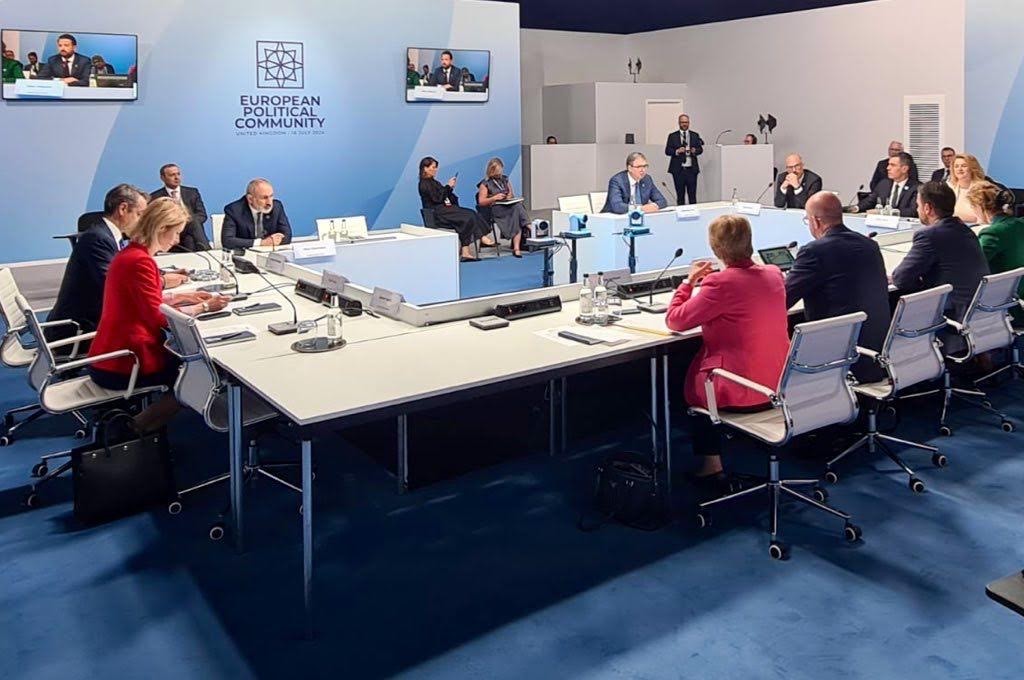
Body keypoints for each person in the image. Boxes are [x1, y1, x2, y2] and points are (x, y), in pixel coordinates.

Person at [665, 215, 790, 486]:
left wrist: (688, 283)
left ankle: (711, 464)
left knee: (689, 380)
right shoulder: (774, 274)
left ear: (716, 248)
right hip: (778, 383)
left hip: (740, 388)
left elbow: (675, 320)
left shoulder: (720, 284)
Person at [87, 198, 230, 433]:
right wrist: (204, 307)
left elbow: (144, 300)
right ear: (162, 228)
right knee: (200, 375)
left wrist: (184, 297)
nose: (177, 240)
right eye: (176, 233)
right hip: (124, 362)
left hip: (109, 353)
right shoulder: (140, 261)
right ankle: (132, 430)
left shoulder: (131, 254)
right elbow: (160, 319)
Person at [786, 193, 890, 382]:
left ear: (815, 221)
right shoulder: (870, 245)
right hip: (876, 352)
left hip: (838, 357)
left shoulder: (814, 251)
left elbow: (784, 299)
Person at [48, 184, 171, 343]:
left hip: (91, 319)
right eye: (140, 214)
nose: (142, 222)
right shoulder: (97, 239)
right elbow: (116, 286)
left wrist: (159, 276)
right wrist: (162, 282)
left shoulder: (108, 236)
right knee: (156, 332)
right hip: (79, 330)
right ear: (123, 209)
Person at [892, 182, 989, 349]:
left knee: (892, 299)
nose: (917, 210)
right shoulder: (965, 230)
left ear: (928, 208)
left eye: (918, 205)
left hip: (950, 314)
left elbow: (900, 279)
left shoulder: (928, 235)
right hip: (977, 311)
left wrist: (920, 282)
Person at [418, 156, 495, 262]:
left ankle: (468, 249)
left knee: (471, 213)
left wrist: (450, 188)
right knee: (467, 216)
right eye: (433, 167)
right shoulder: (424, 184)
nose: (436, 169)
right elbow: (437, 198)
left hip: (445, 210)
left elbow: (444, 195)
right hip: (437, 214)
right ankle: (478, 239)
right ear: (425, 168)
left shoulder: (434, 182)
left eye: (436, 167)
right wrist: (448, 187)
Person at [969, 181, 1024, 324]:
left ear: (979, 207)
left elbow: (972, 266)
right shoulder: (1019, 224)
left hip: (1009, 308)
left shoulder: (992, 233)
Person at [149, 164, 211, 251]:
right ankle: (207, 250)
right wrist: (177, 223)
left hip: (191, 230)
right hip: (171, 232)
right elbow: (157, 221)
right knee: (190, 236)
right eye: (172, 175)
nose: (177, 177)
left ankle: (204, 250)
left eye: (178, 174)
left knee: (191, 229)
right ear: (162, 178)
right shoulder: (155, 197)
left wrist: (185, 222)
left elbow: (202, 215)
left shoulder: (192, 192)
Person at [477, 158, 529, 257]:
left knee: (517, 207)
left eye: (500, 170)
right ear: (491, 170)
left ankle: (517, 248)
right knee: (517, 210)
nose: (499, 173)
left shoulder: (505, 179)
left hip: (507, 205)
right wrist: (494, 198)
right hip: (495, 209)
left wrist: (509, 196)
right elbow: (481, 202)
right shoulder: (485, 183)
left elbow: (511, 193)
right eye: (497, 171)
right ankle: (529, 227)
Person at [221, 179, 292, 251]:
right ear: (250, 199)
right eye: (264, 198)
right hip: (245, 254)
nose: (269, 202)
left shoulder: (277, 206)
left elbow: (287, 235)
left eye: (271, 196)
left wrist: (275, 240)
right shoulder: (234, 210)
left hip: (270, 253)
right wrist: (261, 243)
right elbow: (227, 241)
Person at [851, 152, 920, 218]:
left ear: (904, 169)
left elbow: (912, 211)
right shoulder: (884, 184)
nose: (888, 168)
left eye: (893, 165)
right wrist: (856, 208)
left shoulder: (916, 187)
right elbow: (870, 201)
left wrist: (882, 212)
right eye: (888, 164)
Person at [602, 152, 667, 214]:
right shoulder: (617, 181)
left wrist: (653, 206)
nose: (642, 170)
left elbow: (662, 201)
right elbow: (617, 206)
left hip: (639, 217)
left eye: (645, 166)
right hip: (613, 218)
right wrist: (640, 208)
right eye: (639, 167)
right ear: (629, 168)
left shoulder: (647, 179)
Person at [664, 114, 704, 205]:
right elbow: (667, 151)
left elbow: (700, 149)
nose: (684, 124)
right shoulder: (672, 136)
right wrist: (677, 151)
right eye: (682, 122)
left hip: (691, 170)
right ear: (679, 123)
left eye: (686, 122)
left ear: (689, 123)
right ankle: (680, 212)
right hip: (678, 170)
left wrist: (695, 151)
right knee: (680, 195)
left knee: (692, 195)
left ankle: (693, 212)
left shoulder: (695, 135)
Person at [947, 153, 986, 223]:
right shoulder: (949, 187)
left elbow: (982, 218)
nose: (959, 169)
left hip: (975, 227)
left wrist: (953, 216)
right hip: (952, 226)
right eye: (956, 166)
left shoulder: (982, 189)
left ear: (972, 168)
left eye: (964, 166)